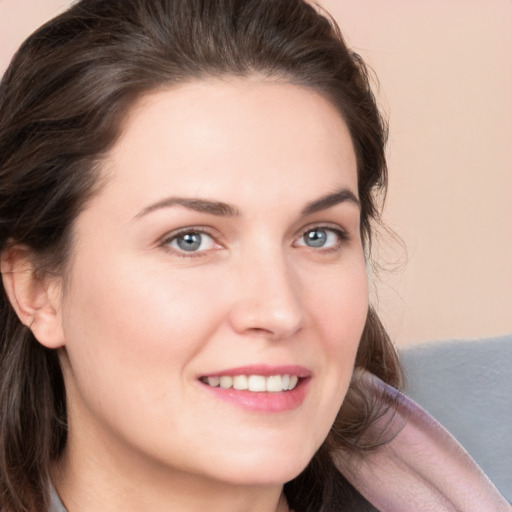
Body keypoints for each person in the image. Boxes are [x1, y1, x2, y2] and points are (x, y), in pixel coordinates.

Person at [0, 1, 508, 511]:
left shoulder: (484, 435)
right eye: (190, 240)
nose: (280, 311)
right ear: (37, 288)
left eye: (318, 236)